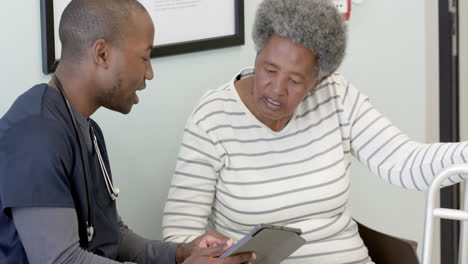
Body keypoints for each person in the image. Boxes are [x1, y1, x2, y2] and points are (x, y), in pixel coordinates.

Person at [161, 0, 468, 263]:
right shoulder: (213, 116)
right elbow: (180, 234)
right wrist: (214, 252)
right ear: (257, 53)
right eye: (269, 69)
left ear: (317, 82)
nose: (276, 89)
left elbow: (404, 161)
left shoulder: (335, 95)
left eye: (295, 81)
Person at [0, 1, 256, 264]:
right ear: (101, 54)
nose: (149, 73)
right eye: (144, 57)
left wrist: (181, 253)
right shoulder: (34, 135)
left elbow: (112, 235)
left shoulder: (86, 128)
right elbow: (61, 260)